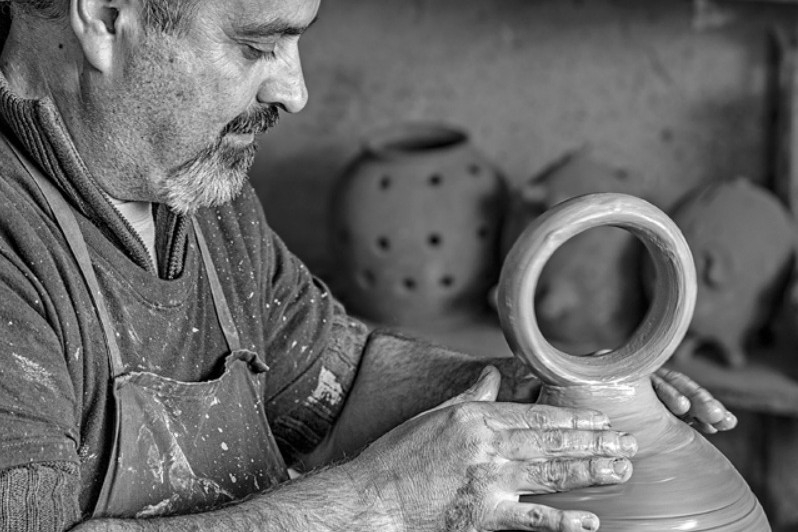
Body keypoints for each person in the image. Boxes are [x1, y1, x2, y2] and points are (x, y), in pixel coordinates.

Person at [0, 0, 736, 530]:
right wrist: (376, 505)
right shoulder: (15, 246)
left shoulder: (195, 190)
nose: (295, 90)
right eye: (258, 46)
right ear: (102, 17)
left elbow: (337, 381)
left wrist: (539, 397)